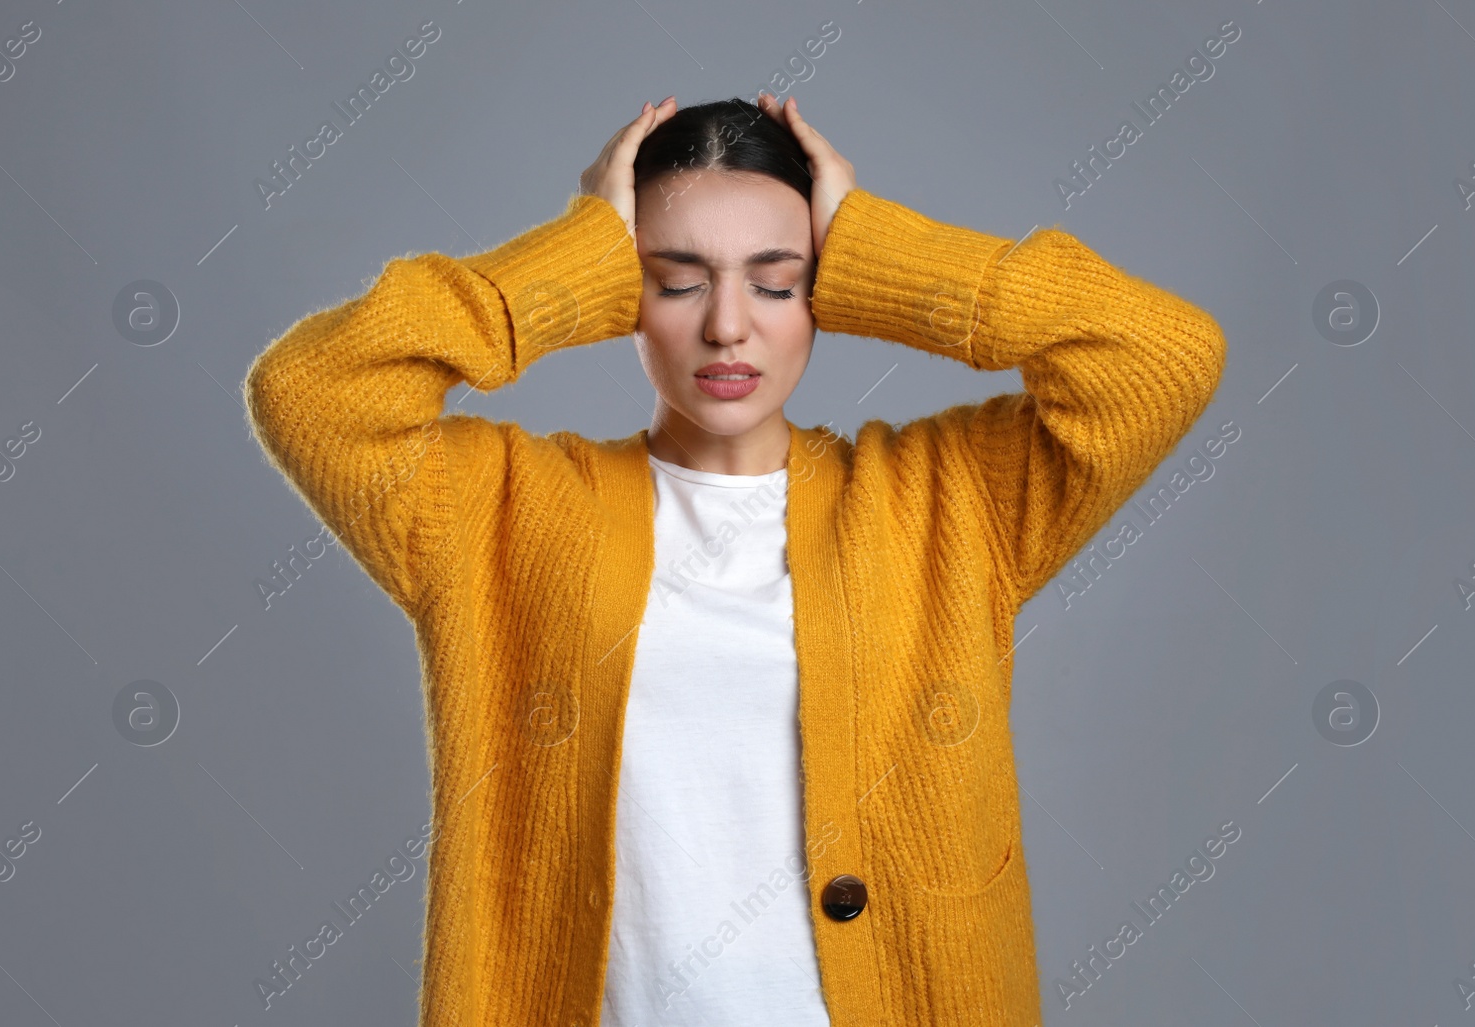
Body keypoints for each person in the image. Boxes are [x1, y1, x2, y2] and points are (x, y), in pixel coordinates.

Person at [243, 92, 1227, 1027]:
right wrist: (574, 253)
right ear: (622, 297)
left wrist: (878, 247)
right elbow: (311, 390)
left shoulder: (948, 499)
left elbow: (1158, 355)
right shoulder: (500, 514)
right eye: (674, 280)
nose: (726, 323)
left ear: (824, 292)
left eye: (776, 281)